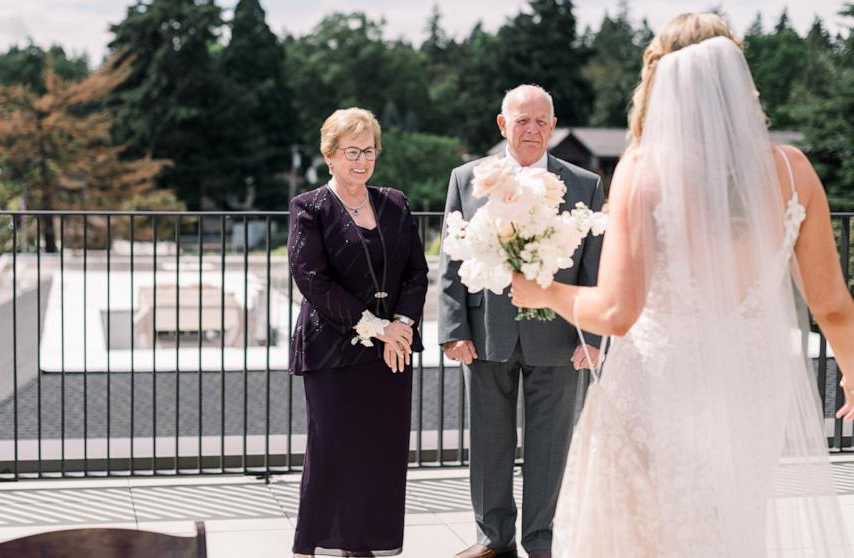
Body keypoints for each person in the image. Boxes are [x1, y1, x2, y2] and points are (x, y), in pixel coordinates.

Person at [510, 13, 854, 557]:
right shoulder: (792, 171)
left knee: (650, 535)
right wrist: (853, 371)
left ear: (659, 85)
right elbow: (832, 304)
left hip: (662, 386)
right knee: (733, 524)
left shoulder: (644, 173)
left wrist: (545, 292)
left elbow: (618, 311)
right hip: (753, 388)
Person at [439, 85, 605, 558]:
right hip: (486, 334)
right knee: (488, 444)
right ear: (502, 124)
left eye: (540, 121)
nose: (531, 129)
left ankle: (541, 540)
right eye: (521, 120)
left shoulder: (585, 184)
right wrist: (454, 330)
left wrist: (591, 335)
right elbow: (451, 260)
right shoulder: (466, 178)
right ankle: (493, 539)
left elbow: (595, 267)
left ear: (553, 126)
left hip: (557, 337)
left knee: (549, 448)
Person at [287, 107, 429, 557]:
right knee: (334, 448)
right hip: (332, 347)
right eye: (352, 152)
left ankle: (368, 543)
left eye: (369, 151)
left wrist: (401, 327)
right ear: (329, 155)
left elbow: (416, 272)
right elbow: (312, 279)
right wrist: (377, 327)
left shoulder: (394, 202)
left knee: (382, 447)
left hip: (393, 348)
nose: (361, 160)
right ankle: (331, 543)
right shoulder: (310, 207)